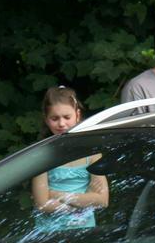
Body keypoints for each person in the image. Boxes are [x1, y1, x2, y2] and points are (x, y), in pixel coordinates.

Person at [32, 86, 108, 231]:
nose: (61, 124)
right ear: (46, 119)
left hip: (84, 230)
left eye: (67, 117)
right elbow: (42, 204)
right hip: (49, 232)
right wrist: (84, 202)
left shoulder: (91, 153)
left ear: (77, 115)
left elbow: (102, 201)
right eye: (54, 118)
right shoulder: (41, 155)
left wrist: (56, 194)